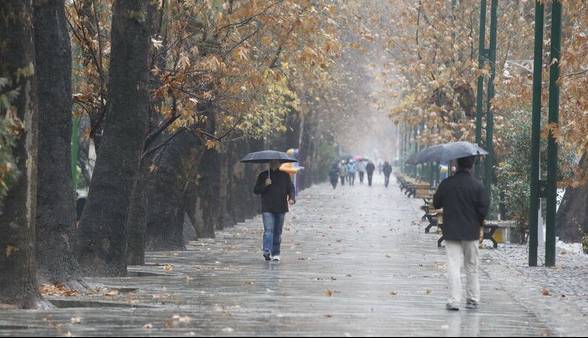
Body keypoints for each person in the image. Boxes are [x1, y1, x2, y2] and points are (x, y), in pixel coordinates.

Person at [433, 156, 490, 311]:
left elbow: (436, 203)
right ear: (471, 166)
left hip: (451, 231)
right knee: (471, 265)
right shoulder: (478, 186)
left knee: (453, 265)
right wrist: (477, 221)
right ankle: (472, 299)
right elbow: (484, 209)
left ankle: (454, 300)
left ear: (457, 164)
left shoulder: (447, 184)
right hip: (471, 232)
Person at [254, 160, 296, 262]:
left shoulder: (284, 175)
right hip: (267, 207)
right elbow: (256, 190)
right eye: (272, 162)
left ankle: (276, 253)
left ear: (279, 163)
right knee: (268, 230)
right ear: (269, 163)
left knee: (277, 231)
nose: (274, 163)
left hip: (281, 207)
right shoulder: (264, 175)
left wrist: (291, 198)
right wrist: (265, 184)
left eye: (276, 162)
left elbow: (291, 188)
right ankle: (267, 251)